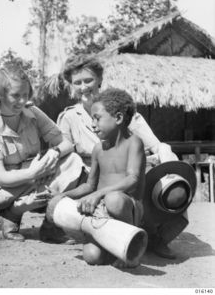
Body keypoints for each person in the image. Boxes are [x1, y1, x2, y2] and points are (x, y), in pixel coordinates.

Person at [57, 54, 187, 259]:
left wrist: (169, 163)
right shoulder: (69, 117)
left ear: (99, 80)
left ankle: (157, 235)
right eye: (77, 82)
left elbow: (155, 146)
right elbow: (63, 149)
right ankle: (100, 236)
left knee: (171, 186)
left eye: (88, 80)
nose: (83, 87)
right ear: (71, 85)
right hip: (91, 178)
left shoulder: (124, 112)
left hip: (128, 176)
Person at [0, 63, 83, 242]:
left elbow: (67, 144)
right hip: (4, 188)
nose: (22, 101)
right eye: (15, 95)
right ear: (0, 95)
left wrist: (55, 152)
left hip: (37, 174)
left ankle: (50, 225)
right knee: (13, 198)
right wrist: (32, 174)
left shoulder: (32, 111)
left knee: (72, 161)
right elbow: (1, 176)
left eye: (25, 95)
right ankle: (11, 213)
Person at [62, 87, 146, 267]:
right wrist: (64, 196)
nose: (92, 124)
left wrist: (100, 194)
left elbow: (133, 179)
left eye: (97, 118)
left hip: (126, 208)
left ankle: (130, 245)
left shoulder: (134, 143)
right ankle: (109, 245)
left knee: (114, 199)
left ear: (118, 118)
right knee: (92, 257)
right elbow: (89, 186)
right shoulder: (98, 149)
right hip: (101, 210)